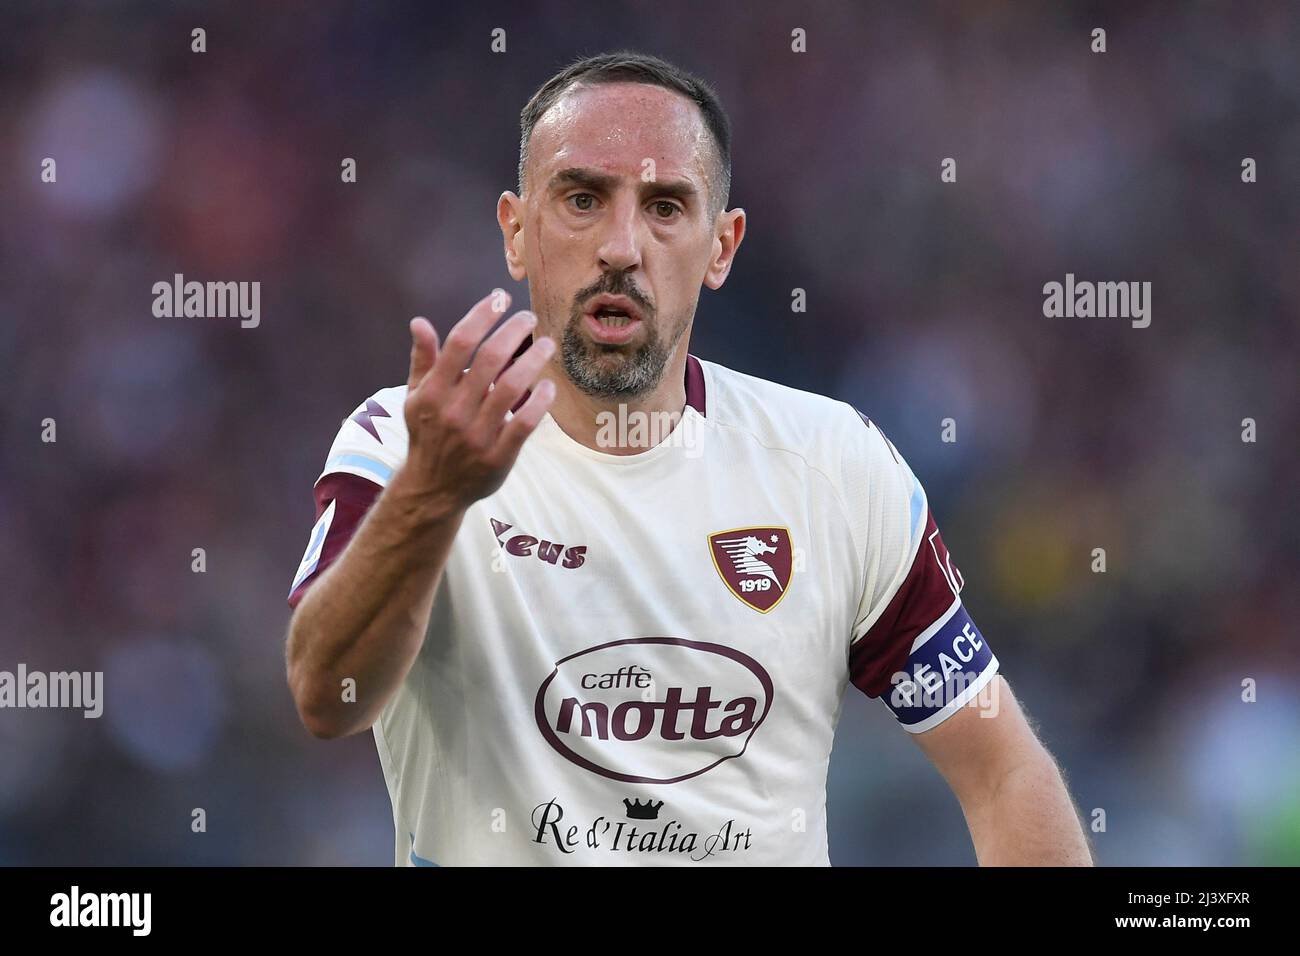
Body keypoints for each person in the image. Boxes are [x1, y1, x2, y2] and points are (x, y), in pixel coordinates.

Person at [284, 50, 1093, 866]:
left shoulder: (833, 467)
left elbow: (1002, 771)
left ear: (721, 246)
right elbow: (326, 696)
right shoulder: (404, 444)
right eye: (581, 199)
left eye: (666, 206)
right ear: (516, 232)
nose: (621, 246)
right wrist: (430, 497)